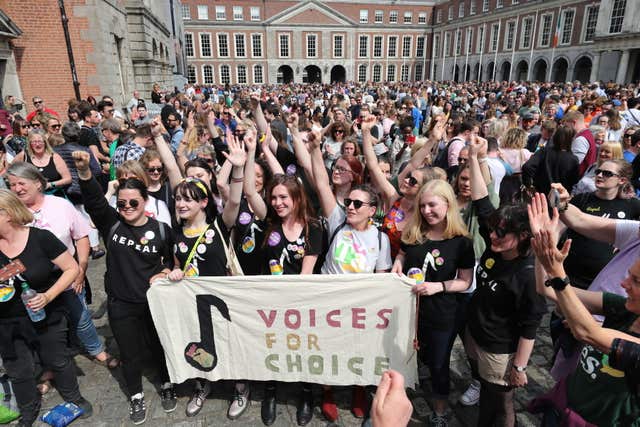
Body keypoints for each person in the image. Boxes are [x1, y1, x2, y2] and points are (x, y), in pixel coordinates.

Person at [72, 150, 176, 425]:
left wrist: (166, 270)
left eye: (133, 202)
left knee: (158, 347)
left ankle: (166, 384)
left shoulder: (163, 229)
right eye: (122, 203)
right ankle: (136, 396)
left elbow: (172, 260)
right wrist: (84, 172)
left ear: (145, 202)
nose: (127, 207)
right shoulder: (113, 225)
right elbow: (94, 202)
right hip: (121, 304)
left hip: (153, 302)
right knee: (129, 354)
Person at [527, 193, 640, 426]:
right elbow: (547, 289)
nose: (623, 283)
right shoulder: (624, 308)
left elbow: (587, 332)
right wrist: (544, 242)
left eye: (636, 281)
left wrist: (557, 272)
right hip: (562, 411)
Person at [308, 129, 392, 421]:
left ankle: (359, 390)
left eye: (358, 204)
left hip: (361, 307)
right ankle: (328, 391)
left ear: (372, 210)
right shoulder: (337, 222)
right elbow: (321, 183)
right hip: (329, 301)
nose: (351, 207)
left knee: (359, 348)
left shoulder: (380, 240)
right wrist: (316, 148)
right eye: (349, 203)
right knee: (329, 347)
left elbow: (382, 279)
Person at [466, 135, 546, 427]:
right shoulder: (498, 242)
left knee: (501, 403)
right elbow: (480, 199)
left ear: (523, 236)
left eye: (502, 233)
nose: (494, 236)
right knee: (487, 393)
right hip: (478, 334)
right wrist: (474, 157)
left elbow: (531, 324)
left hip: (501, 349)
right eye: (494, 231)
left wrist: (520, 367)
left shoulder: (527, 275)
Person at [6, 163, 119, 370]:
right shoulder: (10, 214)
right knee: (38, 325)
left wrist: (81, 268)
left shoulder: (60, 205)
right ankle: (49, 366)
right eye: (12, 184)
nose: (17, 189)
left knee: (81, 316)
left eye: (21, 183)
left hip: (67, 273)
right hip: (30, 284)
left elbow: (81, 237)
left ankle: (96, 350)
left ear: (38, 183)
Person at [166, 135, 247, 418]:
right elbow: (178, 264)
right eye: (177, 199)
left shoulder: (219, 226)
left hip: (223, 302)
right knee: (198, 344)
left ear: (203, 202)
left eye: (187, 199)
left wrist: (238, 168)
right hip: (194, 304)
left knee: (229, 344)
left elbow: (234, 201)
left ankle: (240, 387)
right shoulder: (176, 233)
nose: (180, 204)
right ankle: (202, 385)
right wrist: (174, 271)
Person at [0, 190, 92, 426]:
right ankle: (28, 412)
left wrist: (48, 296)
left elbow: (71, 269)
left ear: (8, 213)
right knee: (18, 370)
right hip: (8, 322)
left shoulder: (41, 238)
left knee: (58, 359)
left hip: (46, 314)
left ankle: (74, 398)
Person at [391, 179, 474, 427]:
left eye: (432, 205)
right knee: (409, 355)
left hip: (443, 314)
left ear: (448, 204)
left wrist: (439, 286)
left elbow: (465, 281)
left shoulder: (461, 241)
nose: (427, 211)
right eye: (423, 206)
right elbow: (403, 253)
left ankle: (440, 409)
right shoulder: (414, 231)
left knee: (439, 363)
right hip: (410, 312)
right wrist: (398, 262)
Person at [261, 173, 323, 426]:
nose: (278, 202)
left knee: (304, 346)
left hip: (301, 301)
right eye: (274, 197)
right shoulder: (269, 225)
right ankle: (270, 391)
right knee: (272, 345)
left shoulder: (314, 227)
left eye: (283, 197)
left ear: (296, 198)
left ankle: (306, 394)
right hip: (271, 301)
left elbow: (306, 273)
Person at [522, 126, 580, 196]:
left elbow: (527, 167)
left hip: (541, 194)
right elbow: (574, 181)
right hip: (560, 196)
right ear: (571, 140)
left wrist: (529, 185)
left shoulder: (544, 151)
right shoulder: (573, 159)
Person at [12, 130, 72, 198]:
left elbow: (68, 179)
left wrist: (50, 184)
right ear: (30, 144)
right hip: (31, 197)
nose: (37, 144)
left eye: (40, 141)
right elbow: (11, 171)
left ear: (45, 143)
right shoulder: (23, 156)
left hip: (54, 196)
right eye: (34, 142)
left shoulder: (55, 157)